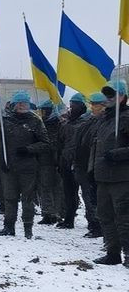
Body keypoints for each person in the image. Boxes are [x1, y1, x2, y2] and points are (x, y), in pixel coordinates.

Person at [0, 90, 48, 238]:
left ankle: (28, 228)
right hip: (8, 166)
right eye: (19, 103)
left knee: (28, 199)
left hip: (28, 167)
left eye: (24, 103)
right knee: (9, 198)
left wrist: (29, 149)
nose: (21, 106)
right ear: (13, 105)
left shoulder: (35, 121)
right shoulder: (5, 121)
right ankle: (9, 226)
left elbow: (45, 143)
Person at [92, 78, 129, 266]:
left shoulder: (126, 118)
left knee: (124, 217)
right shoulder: (105, 119)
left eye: (112, 94)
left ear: (122, 96)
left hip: (122, 177)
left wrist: (118, 154)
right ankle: (112, 253)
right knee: (105, 216)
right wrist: (92, 169)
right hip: (103, 176)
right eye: (106, 94)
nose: (107, 98)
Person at [74, 92, 105, 238]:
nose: (92, 107)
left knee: (96, 199)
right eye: (91, 104)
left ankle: (98, 226)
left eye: (95, 104)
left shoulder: (105, 123)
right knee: (89, 198)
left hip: (95, 166)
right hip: (83, 165)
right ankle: (93, 224)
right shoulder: (88, 122)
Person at [56, 94, 90, 228]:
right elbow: (60, 143)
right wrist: (60, 161)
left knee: (87, 194)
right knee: (69, 193)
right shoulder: (66, 123)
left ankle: (93, 222)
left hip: (81, 163)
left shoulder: (86, 123)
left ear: (81, 106)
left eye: (75, 104)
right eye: (71, 104)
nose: (72, 107)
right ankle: (69, 219)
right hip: (66, 162)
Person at [36, 99, 63, 225]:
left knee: (52, 187)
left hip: (53, 161)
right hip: (45, 160)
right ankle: (50, 212)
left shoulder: (56, 125)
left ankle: (54, 212)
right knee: (47, 187)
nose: (41, 113)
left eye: (43, 111)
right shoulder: (42, 124)